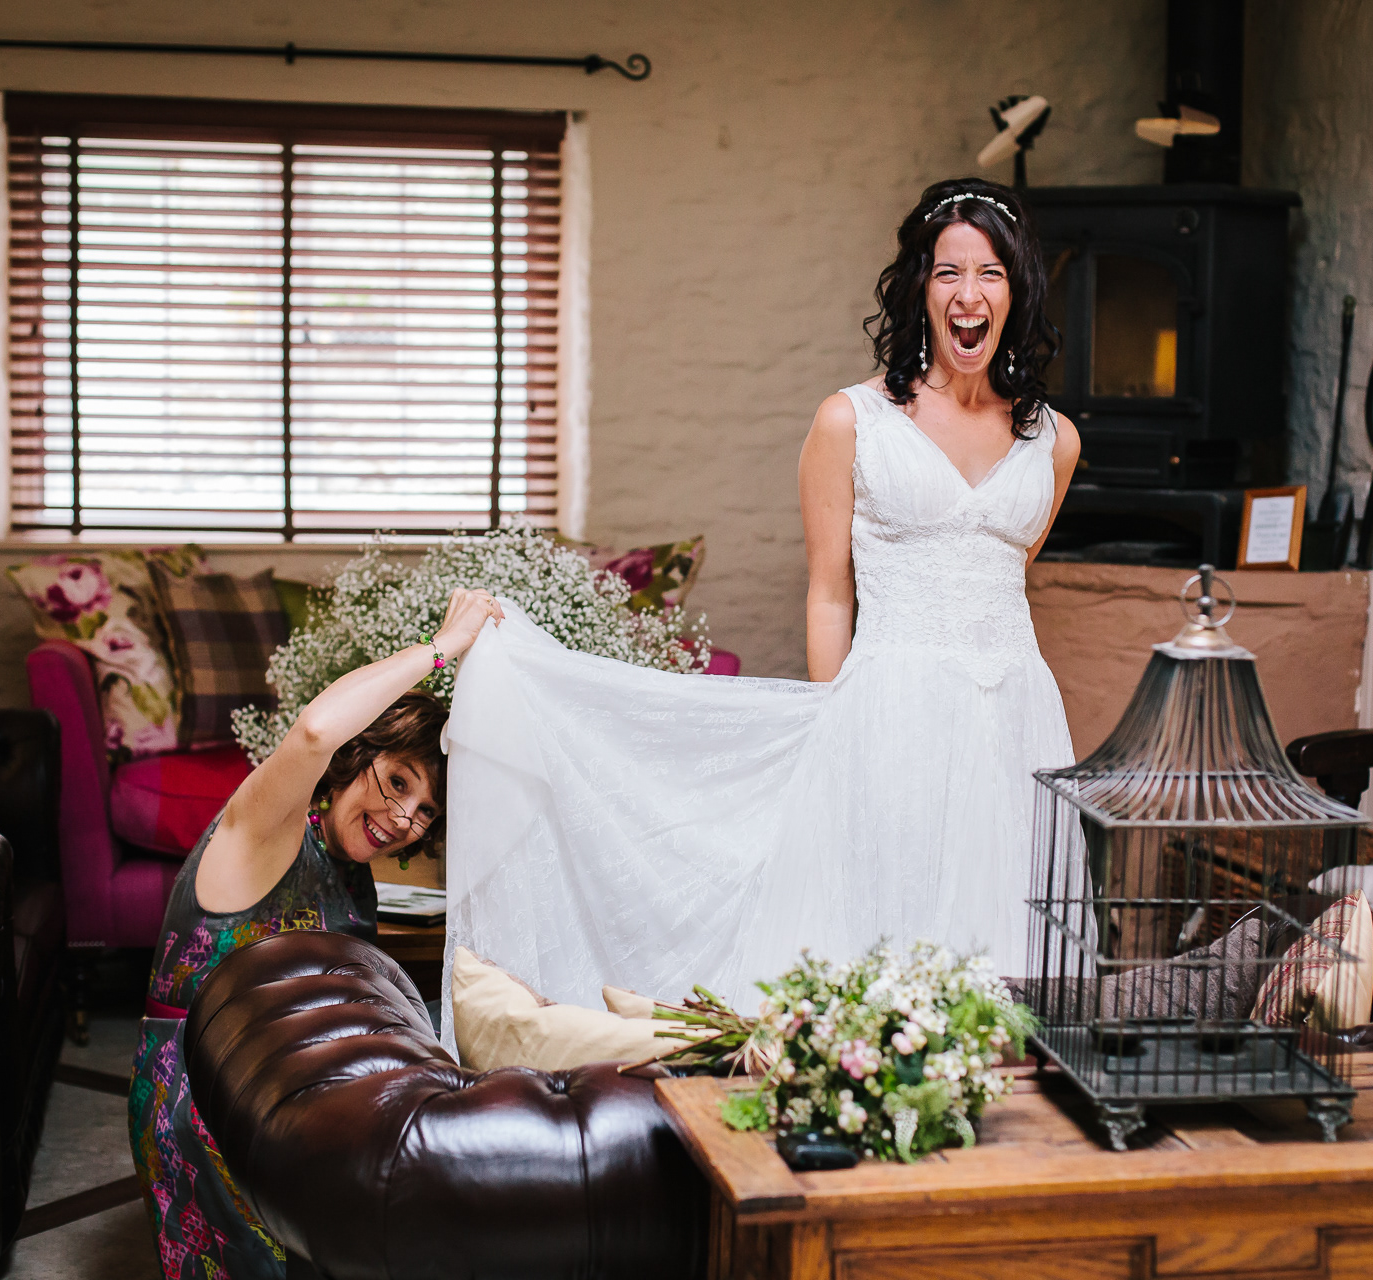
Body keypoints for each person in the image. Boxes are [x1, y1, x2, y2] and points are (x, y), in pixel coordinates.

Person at [444, 176, 1083, 1019]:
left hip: (1018, 718)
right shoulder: (851, 421)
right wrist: (836, 724)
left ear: (1018, 289)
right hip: (891, 707)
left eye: (990, 274)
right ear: (919, 290)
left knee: (1012, 933)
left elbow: (1010, 569)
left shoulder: (1056, 440)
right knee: (877, 929)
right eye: (947, 273)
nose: (969, 295)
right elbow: (828, 595)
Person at [128, 587, 502, 1280]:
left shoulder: (348, 869)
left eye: (425, 811)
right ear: (358, 757)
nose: (403, 818)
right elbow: (311, 733)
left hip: (291, 1097)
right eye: (396, 780)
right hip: (209, 1097)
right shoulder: (265, 836)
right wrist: (444, 648)